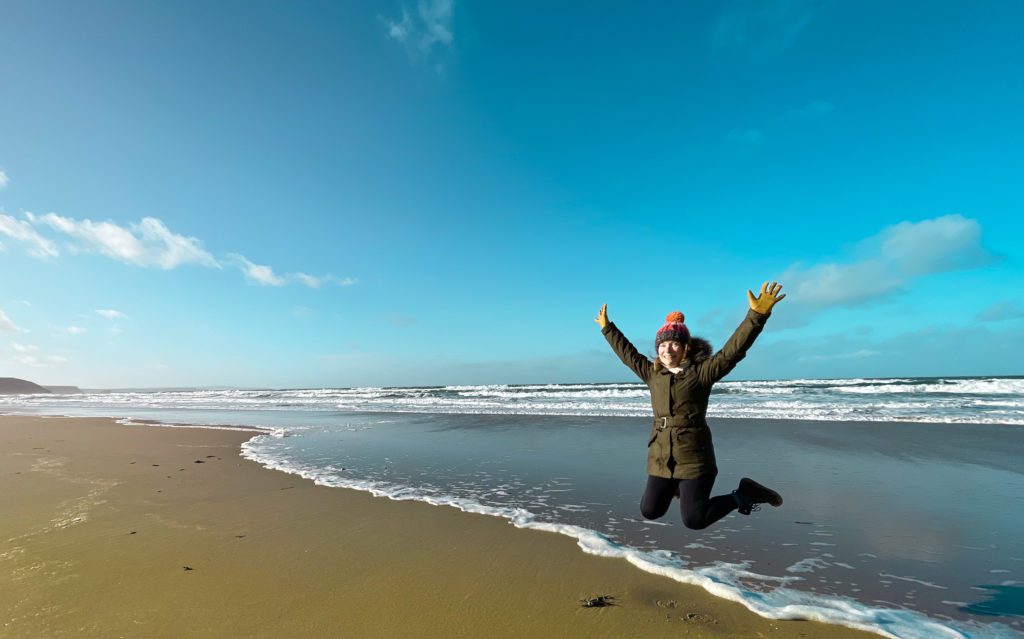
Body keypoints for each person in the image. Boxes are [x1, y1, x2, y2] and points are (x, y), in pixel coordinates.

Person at [595, 281, 786, 530]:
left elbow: (733, 351)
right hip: (661, 455)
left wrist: (757, 315)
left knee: (695, 520)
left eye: (674, 344)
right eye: (662, 345)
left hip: (694, 456)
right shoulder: (652, 374)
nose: (667, 350)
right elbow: (627, 354)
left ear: (686, 347)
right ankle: (677, 487)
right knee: (650, 511)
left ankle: (744, 494)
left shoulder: (702, 373)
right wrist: (608, 329)